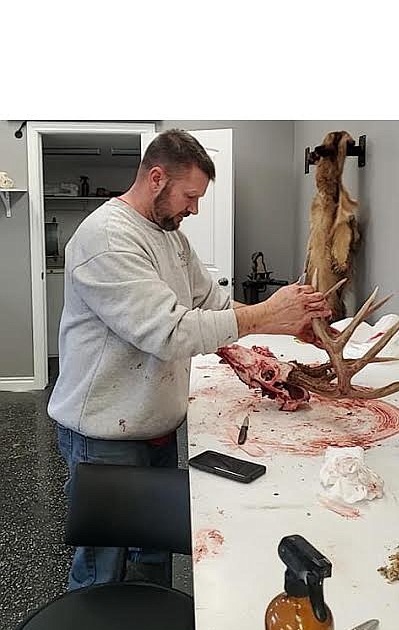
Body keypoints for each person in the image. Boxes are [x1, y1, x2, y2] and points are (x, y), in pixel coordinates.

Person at [48, 129, 331, 590]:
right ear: (156, 178)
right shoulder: (106, 239)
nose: (195, 209)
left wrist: (283, 322)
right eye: (190, 196)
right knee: (104, 564)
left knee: (154, 553)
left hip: (154, 425)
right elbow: (169, 331)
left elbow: (214, 305)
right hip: (103, 435)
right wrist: (265, 313)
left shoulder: (170, 235)